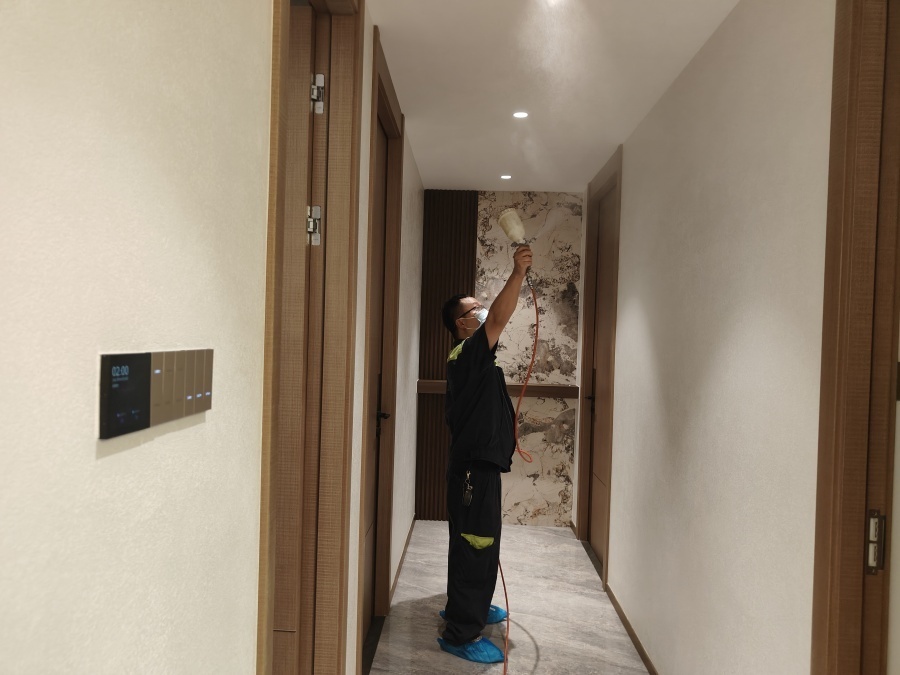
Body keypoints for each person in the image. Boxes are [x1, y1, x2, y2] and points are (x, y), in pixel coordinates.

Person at [436, 245, 533, 664]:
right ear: (462, 323)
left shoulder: (474, 359)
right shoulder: (469, 353)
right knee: (476, 545)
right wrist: (517, 274)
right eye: (474, 309)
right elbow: (497, 319)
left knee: (473, 543)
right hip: (474, 473)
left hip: (477, 468)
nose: (482, 312)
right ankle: (461, 633)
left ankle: (466, 605)